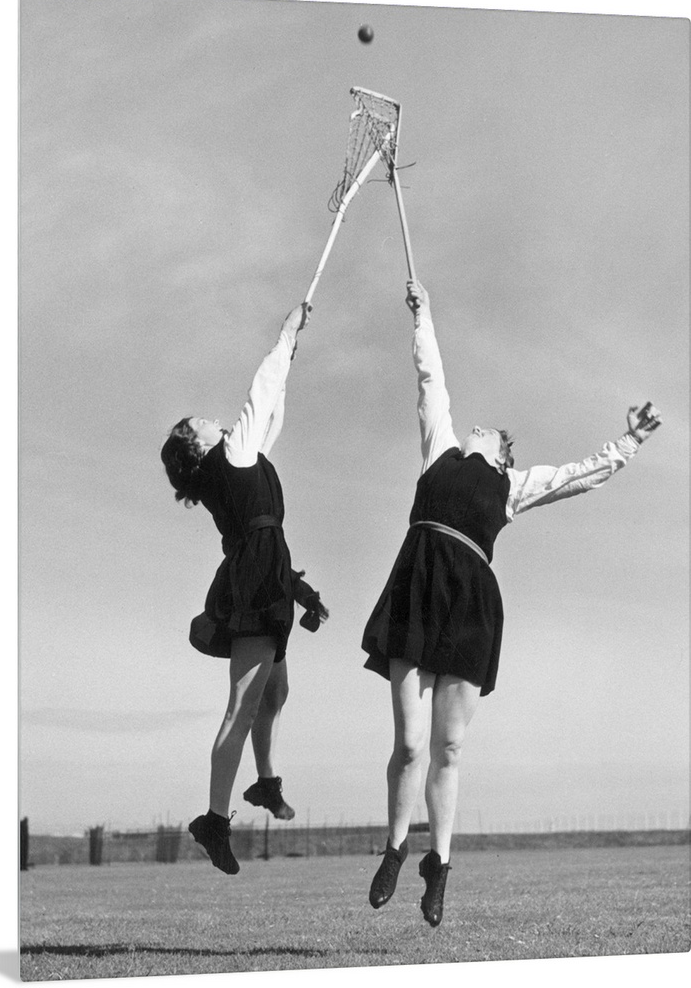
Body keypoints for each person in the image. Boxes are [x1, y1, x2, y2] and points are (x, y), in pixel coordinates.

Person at [362, 279, 662, 927]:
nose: (478, 426)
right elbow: (430, 379)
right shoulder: (438, 448)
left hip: (471, 604)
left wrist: (628, 442)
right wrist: (423, 315)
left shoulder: (513, 484)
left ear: (501, 452)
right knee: (410, 744)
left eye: (492, 431)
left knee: (448, 748)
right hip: (417, 586)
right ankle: (394, 848)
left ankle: (438, 866)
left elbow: (580, 474)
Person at [161, 302, 328, 875]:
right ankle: (214, 819)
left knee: (274, 692)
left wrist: (292, 352)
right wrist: (285, 335)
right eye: (203, 422)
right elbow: (263, 394)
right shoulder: (230, 455)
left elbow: (271, 414)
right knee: (242, 705)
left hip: (265, 574)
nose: (217, 419)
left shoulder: (237, 459)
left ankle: (265, 782)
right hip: (256, 581)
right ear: (197, 445)